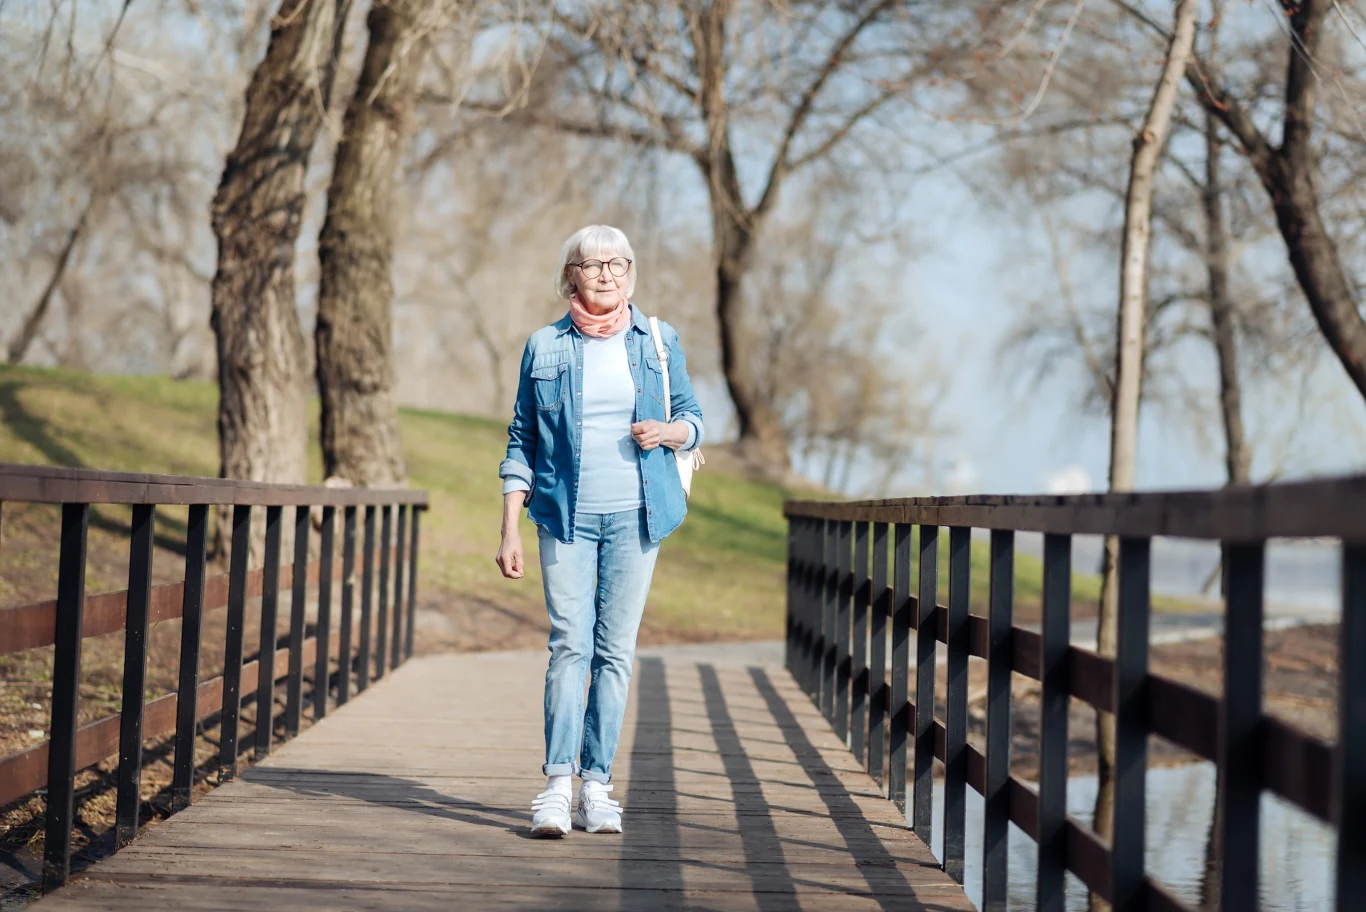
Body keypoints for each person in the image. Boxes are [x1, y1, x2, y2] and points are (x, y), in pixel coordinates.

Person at [495, 225, 704, 837]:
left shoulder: (659, 341)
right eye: (593, 264)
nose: (607, 273)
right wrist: (509, 526)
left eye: (618, 263)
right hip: (565, 518)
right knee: (569, 645)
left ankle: (597, 787)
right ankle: (557, 787)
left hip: (637, 519)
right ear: (571, 277)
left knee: (614, 653)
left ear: (631, 273)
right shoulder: (545, 347)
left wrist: (666, 433)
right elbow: (521, 442)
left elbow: (693, 420)